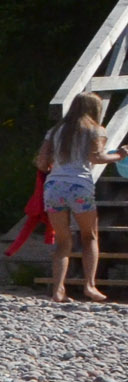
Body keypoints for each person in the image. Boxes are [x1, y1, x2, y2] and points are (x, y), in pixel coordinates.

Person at [39, 93, 119, 303]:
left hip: (54, 187)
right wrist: (120, 155)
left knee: (62, 241)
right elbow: (97, 157)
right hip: (79, 186)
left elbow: (41, 161)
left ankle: (58, 290)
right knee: (89, 236)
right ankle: (90, 286)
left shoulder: (55, 131)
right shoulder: (95, 130)